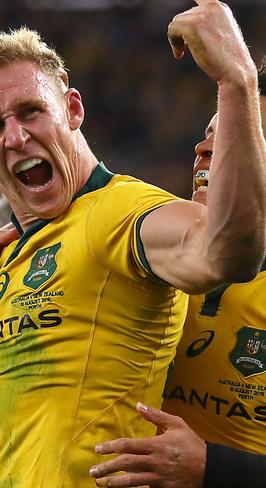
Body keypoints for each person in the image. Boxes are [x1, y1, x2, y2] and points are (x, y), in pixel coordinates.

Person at [0, 1, 266, 486]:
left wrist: (236, 79)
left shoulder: (123, 213)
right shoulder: (12, 261)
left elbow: (228, 251)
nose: (14, 136)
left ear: (73, 110)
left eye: (32, 111)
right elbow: (11, 449)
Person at [88, 61, 266, 488]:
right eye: (207, 134)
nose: (202, 150)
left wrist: (212, 468)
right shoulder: (148, 258)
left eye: (231, 138)